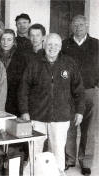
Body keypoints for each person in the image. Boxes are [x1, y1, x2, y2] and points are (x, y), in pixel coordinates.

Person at [18, 33, 85, 174]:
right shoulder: (34, 63)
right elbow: (23, 89)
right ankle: (32, 173)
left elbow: (78, 89)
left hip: (61, 116)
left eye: (56, 45)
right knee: (35, 149)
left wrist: (80, 111)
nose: (52, 48)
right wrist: (24, 111)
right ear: (44, 45)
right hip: (37, 115)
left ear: (60, 47)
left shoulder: (69, 63)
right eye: (49, 44)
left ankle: (58, 172)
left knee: (58, 149)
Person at [63, 15, 99, 175]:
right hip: (69, 91)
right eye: (75, 25)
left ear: (87, 26)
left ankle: (86, 161)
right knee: (69, 125)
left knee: (88, 128)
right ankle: (69, 159)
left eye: (81, 25)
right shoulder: (65, 45)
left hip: (90, 90)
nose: (78, 27)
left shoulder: (96, 44)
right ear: (71, 26)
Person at [0, 29, 27, 117]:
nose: (5, 42)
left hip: (14, 99)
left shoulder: (21, 56)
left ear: (14, 42)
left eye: (9, 40)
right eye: (3, 39)